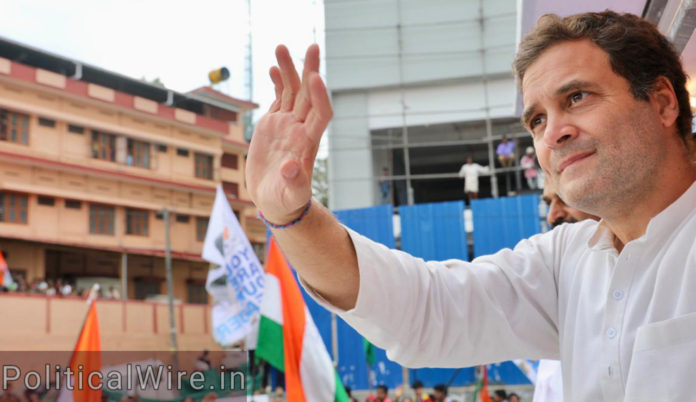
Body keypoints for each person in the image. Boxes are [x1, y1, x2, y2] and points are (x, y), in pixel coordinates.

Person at [246, 11, 696, 402]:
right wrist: (289, 215)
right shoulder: (568, 260)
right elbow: (424, 311)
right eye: (537, 120)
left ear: (662, 103)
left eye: (577, 97)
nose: (554, 133)